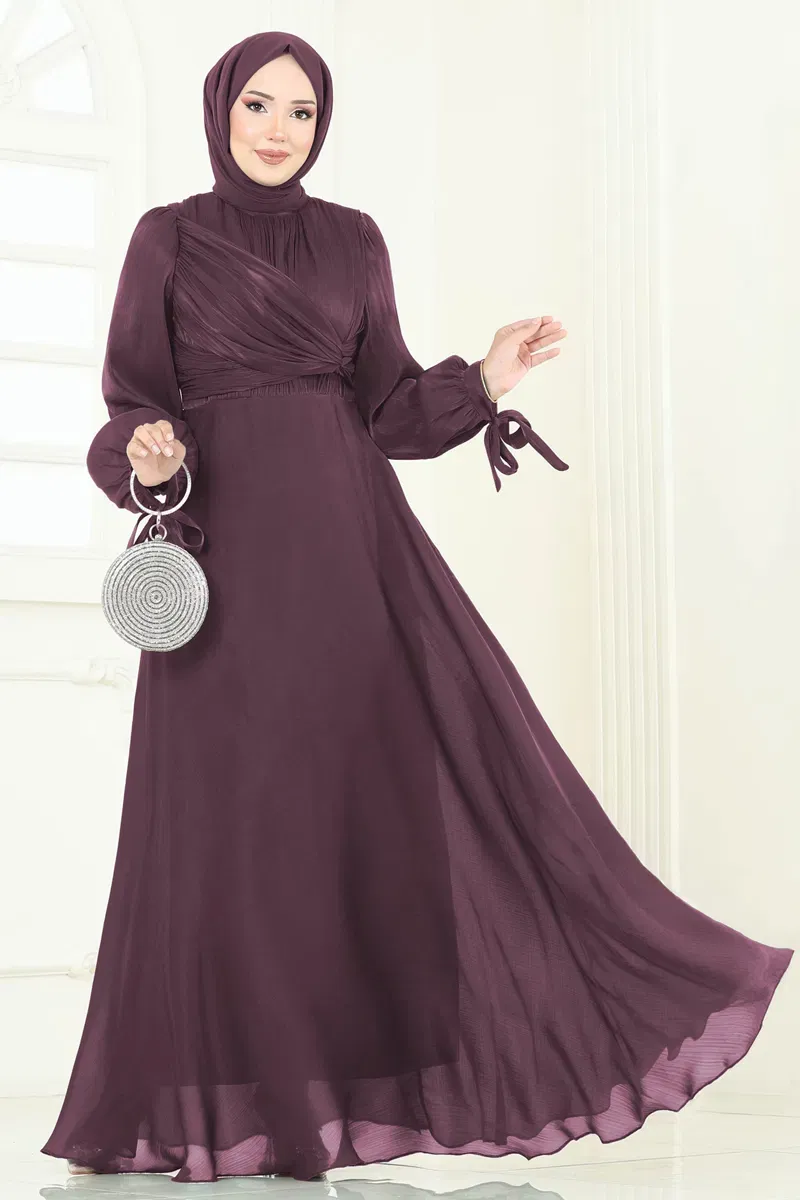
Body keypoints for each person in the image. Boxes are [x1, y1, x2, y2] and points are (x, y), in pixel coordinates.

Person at [40, 30, 793, 1186]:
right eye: (259, 104)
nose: (279, 129)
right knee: (237, 831)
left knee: (353, 820)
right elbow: (135, 402)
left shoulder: (353, 240)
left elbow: (387, 409)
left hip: (355, 568)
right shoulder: (168, 237)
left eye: (301, 110)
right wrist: (147, 451)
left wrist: (484, 378)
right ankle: (247, 1098)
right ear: (220, 109)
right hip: (226, 577)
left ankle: (338, 1097)